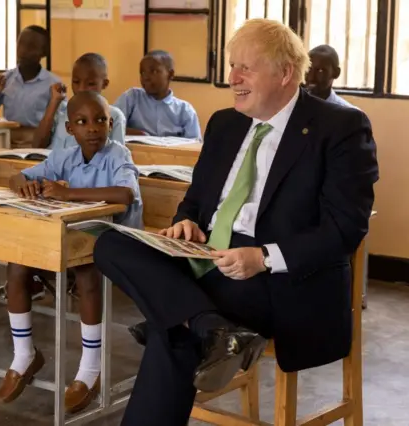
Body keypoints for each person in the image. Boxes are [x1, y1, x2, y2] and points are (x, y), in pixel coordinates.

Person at [93, 19, 378, 426]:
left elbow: (345, 229)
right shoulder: (225, 123)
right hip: (208, 257)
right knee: (110, 243)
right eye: (231, 66)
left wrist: (263, 257)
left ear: (284, 73)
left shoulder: (340, 128)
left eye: (246, 67)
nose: (232, 78)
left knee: (173, 333)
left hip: (278, 277)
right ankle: (211, 326)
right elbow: (194, 201)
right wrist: (185, 223)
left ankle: (201, 325)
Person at [0, 91, 142, 414]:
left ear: (110, 123)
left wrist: (68, 193)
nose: (93, 128)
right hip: (72, 240)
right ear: (69, 128)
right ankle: (25, 356)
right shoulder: (65, 156)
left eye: (101, 120)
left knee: (88, 269)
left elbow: (125, 194)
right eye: (82, 122)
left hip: (116, 243)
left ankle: (90, 370)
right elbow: (18, 175)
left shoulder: (118, 154)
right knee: (18, 263)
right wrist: (23, 185)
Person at [32, 52, 126, 149]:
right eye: (76, 82)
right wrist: (54, 102)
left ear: (104, 84)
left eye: (90, 84)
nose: (81, 89)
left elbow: (118, 157)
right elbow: (37, 146)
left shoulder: (114, 116)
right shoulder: (61, 110)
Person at [0, 25, 61, 128]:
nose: (23, 50)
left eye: (31, 46)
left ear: (44, 52)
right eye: (20, 43)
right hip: (9, 141)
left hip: (38, 142)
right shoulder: (5, 80)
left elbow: (60, 124)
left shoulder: (53, 85)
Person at [114, 50, 201, 139]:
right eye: (142, 73)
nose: (146, 77)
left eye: (154, 71)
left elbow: (194, 145)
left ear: (170, 74)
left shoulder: (185, 110)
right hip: (135, 152)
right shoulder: (132, 98)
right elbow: (110, 126)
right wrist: (139, 134)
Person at [305, 44, 358, 109]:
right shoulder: (295, 108)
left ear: (336, 73)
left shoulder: (349, 115)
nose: (311, 77)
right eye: (308, 69)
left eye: (320, 71)